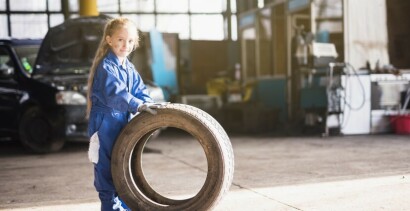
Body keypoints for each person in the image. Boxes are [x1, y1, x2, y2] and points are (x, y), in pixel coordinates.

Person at [86, 17, 159, 211]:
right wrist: (137, 105)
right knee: (106, 169)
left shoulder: (129, 67)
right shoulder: (106, 67)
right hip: (105, 123)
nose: (125, 45)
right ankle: (110, 207)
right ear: (109, 39)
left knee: (123, 166)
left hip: (123, 122)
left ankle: (125, 206)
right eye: (120, 39)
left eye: (130, 41)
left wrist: (149, 104)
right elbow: (115, 94)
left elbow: (139, 90)